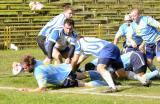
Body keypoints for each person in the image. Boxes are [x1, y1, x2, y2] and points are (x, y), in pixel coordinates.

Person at [71, 36, 139, 93]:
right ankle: (142, 79)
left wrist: (71, 70)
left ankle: (112, 87)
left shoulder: (79, 43)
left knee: (100, 68)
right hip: (113, 47)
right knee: (121, 73)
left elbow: (75, 61)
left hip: (107, 50)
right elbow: (79, 61)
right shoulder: (88, 43)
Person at [129, 8, 160, 74]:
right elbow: (128, 35)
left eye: (134, 16)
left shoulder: (146, 19)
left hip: (157, 41)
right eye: (131, 16)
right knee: (148, 63)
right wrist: (132, 41)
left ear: (139, 15)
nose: (133, 18)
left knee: (159, 59)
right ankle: (157, 75)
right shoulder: (133, 25)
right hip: (148, 44)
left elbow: (158, 25)